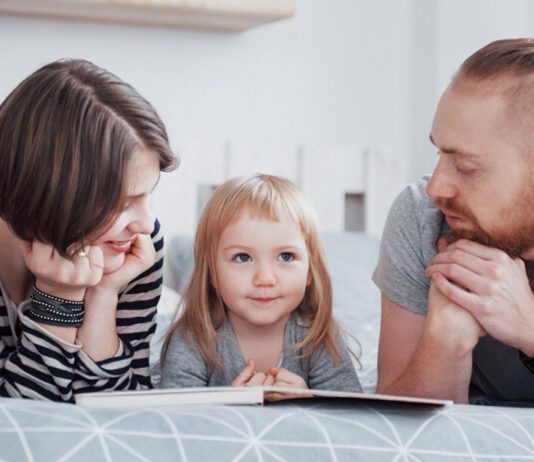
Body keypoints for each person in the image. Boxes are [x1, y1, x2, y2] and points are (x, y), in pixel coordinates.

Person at [0, 59, 177, 402]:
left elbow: (123, 409)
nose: (143, 223)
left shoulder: (137, 243)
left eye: (148, 195)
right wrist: (58, 301)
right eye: (123, 203)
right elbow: (20, 428)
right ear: (50, 191)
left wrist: (103, 297)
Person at [374, 38, 534, 405]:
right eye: (439, 152)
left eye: (466, 166)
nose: (435, 186)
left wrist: (528, 327)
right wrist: (446, 339)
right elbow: (394, 427)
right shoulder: (421, 218)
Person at [160, 174, 361, 396]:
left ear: (310, 272)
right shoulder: (193, 338)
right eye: (243, 258)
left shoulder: (320, 337)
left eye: (285, 256)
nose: (265, 278)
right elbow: (176, 417)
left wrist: (310, 401)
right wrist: (228, 405)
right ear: (212, 273)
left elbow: (352, 416)